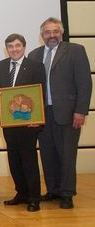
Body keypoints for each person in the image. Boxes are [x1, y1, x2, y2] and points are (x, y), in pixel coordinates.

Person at [27, 17, 92, 209]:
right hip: (43, 113)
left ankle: (67, 193)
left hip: (68, 112)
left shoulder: (75, 51)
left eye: (55, 31)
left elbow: (85, 83)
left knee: (67, 154)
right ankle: (53, 190)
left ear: (61, 32)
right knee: (47, 153)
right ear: (42, 35)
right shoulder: (34, 55)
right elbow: (30, 87)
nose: (52, 35)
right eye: (47, 32)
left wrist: (80, 111)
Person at [0, 33, 45, 212]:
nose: (14, 49)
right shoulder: (0, 67)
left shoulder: (36, 67)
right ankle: (21, 193)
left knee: (28, 159)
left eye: (17, 46)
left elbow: (40, 94)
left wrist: (37, 119)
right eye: (10, 46)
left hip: (29, 123)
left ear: (24, 47)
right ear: (6, 49)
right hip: (8, 122)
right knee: (14, 159)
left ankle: (34, 198)